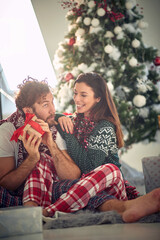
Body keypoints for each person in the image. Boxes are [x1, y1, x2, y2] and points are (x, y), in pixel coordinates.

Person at [22, 73, 160, 223]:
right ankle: (31, 210)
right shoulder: (73, 120)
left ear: (98, 98)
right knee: (44, 159)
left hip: (110, 185)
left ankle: (49, 211)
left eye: (83, 95)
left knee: (110, 168)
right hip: (84, 186)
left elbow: (90, 167)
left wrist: (68, 133)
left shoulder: (104, 126)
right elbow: (51, 116)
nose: (77, 99)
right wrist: (59, 117)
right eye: (75, 93)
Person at [0, 77, 81, 208]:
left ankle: (39, 210)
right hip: (16, 196)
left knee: (79, 185)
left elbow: (73, 176)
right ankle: (39, 209)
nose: (53, 110)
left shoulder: (52, 128)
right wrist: (32, 159)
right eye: (45, 105)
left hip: (49, 189)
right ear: (28, 111)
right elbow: (5, 184)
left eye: (52, 102)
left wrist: (51, 144)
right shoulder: (8, 130)